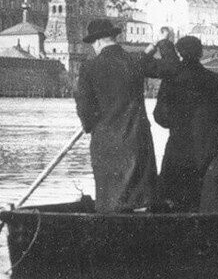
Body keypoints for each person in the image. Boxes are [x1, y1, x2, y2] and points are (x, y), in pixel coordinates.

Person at [75, 20, 177, 213]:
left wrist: (89, 125)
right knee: (139, 198)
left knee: (110, 201)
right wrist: (164, 43)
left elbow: (86, 112)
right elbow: (171, 69)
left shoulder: (89, 67)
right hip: (136, 141)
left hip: (106, 146)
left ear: (96, 42)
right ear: (114, 38)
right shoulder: (135, 61)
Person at [153, 35, 218, 212]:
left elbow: (160, 116)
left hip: (179, 145)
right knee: (212, 200)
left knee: (176, 200)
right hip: (210, 145)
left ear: (179, 54)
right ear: (200, 53)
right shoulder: (214, 79)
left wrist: (176, 122)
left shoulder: (170, 80)